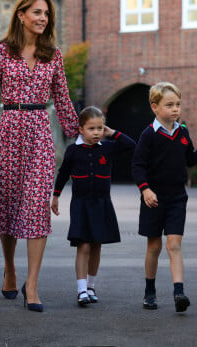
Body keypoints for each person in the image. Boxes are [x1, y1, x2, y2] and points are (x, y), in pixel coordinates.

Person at [0, 0, 79, 313]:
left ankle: (31, 285)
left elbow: (62, 99)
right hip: (8, 132)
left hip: (39, 135)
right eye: (37, 12)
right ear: (20, 15)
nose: (43, 18)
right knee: (5, 208)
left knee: (35, 209)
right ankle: (10, 268)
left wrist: (83, 133)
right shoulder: (0, 53)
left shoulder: (54, 55)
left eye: (46, 14)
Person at [132, 82, 197, 312]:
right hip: (153, 199)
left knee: (174, 245)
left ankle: (179, 292)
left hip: (178, 198)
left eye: (178, 104)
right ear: (155, 107)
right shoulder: (148, 135)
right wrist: (145, 189)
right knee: (154, 246)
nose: (175, 109)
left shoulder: (183, 132)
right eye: (169, 105)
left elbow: (189, 160)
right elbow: (137, 166)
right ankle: (150, 291)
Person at [51, 106, 136, 307]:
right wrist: (55, 196)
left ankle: (90, 286)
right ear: (80, 129)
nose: (97, 132)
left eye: (100, 128)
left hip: (102, 204)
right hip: (81, 204)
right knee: (84, 245)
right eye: (92, 128)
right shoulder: (73, 150)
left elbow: (131, 145)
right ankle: (81, 290)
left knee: (96, 244)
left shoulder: (107, 147)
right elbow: (63, 174)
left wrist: (112, 133)